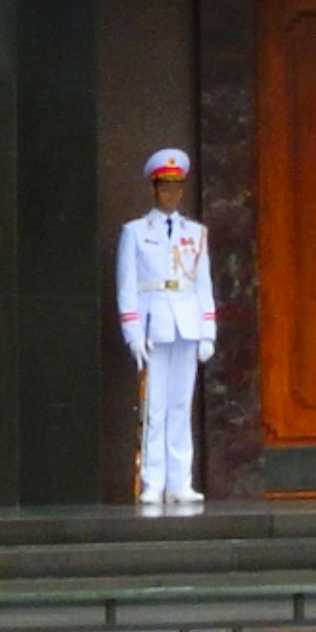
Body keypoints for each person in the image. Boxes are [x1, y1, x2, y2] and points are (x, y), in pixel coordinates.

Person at [116, 148, 217, 514]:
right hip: (153, 323)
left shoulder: (196, 233)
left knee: (180, 406)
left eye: (178, 188)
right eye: (165, 187)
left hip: (187, 323)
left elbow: (203, 284)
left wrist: (208, 330)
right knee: (154, 408)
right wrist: (132, 333)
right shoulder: (136, 232)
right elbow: (127, 285)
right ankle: (153, 483)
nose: (172, 194)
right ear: (155, 189)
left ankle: (180, 482)